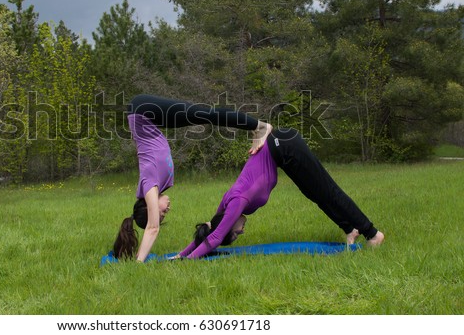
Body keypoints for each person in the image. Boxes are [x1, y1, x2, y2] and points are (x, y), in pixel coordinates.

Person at [176, 127, 384, 260]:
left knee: (328, 191)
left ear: (230, 224)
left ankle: (373, 234)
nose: (242, 232)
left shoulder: (237, 202)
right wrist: (180, 254)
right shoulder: (225, 208)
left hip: (283, 145)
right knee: (318, 195)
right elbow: (209, 230)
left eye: (237, 232)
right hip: (282, 153)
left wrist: (187, 262)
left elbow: (214, 238)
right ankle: (350, 229)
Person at [112, 94, 272, 262]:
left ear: (149, 206)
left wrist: (139, 262)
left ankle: (260, 127)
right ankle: (257, 127)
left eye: (161, 213)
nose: (167, 211)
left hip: (142, 111)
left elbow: (153, 228)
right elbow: (152, 225)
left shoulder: (149, 185)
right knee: (204, 115)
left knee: (206, 114)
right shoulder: (154, 186)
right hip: (146, 116)